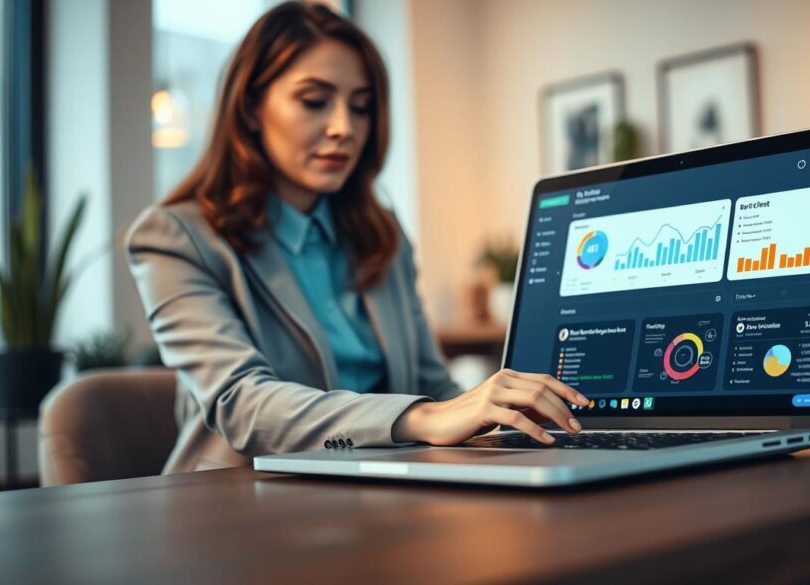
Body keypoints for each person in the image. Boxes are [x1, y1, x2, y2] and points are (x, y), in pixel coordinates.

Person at [127, 1, 587, 473]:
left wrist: (508, 419)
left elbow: (435, 383)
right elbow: (240, 406)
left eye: (362, 107)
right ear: (250, 108)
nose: (344, 128)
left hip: (388, 493)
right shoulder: (175, 238)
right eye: (314, 101)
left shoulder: (380, 234)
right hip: (239, 505)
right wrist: (424, 416)